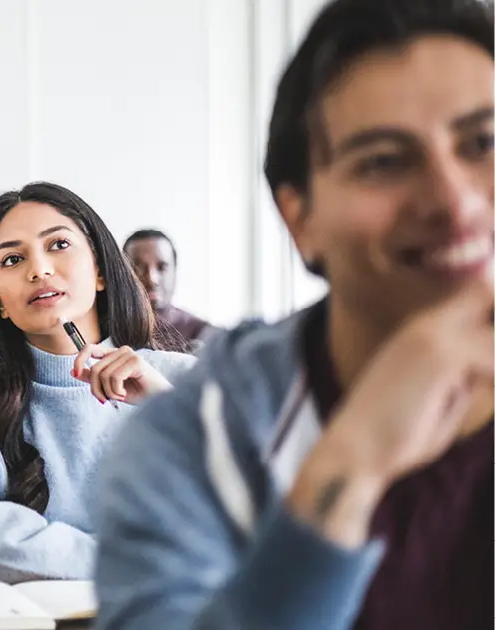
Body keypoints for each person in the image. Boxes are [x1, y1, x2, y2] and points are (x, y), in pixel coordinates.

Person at [93, 1, 493, 628]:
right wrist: (349, 465)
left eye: (482, 142)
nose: (455, 201)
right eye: (384, 160)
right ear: (300, 218)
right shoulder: (192, 443)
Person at [0, 182, 195, 583]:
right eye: (13, 259)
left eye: (57, 245)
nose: (39, 269)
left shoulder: (178, 379)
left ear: (101, 270)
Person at [123, 228, 216, 346]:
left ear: (175, 271)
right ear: (123, 273)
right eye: (138, 267)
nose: (152, 279)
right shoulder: (106, 331)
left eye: (162, 267)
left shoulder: (204, 334)